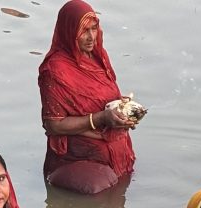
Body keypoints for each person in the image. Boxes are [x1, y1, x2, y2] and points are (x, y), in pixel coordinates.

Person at [38, 0, 136, 194]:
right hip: (79, 157)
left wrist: (121, 107)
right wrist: (100, 118)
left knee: (118, 200)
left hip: (113, 149)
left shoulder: (97, 55)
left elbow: (100, 95)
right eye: (84, 31)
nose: (91, 37)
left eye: (94, 28)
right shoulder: (55, 70)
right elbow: (53, 125)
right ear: (69, 31)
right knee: (101, 194)